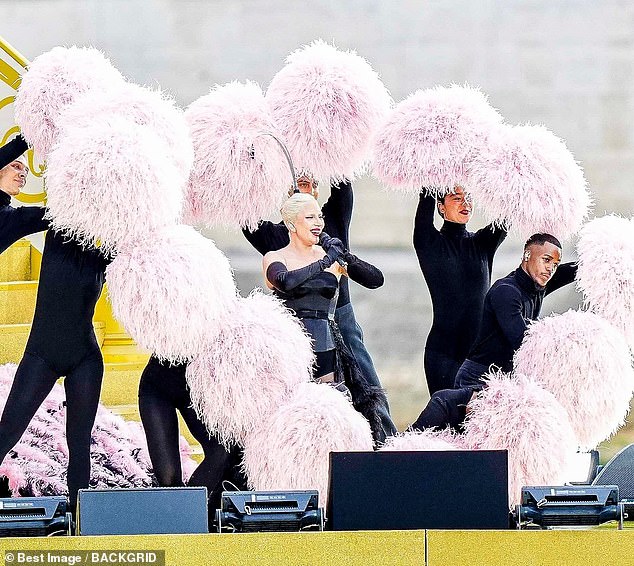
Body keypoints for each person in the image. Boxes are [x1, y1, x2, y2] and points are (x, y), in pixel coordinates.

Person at [245, 171, 396, 437]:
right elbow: (247, 221)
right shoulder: (274, 246)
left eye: (313, 185)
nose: (317, 222)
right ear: (291, 219)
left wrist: (343, 256)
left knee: (361, 384)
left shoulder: (330, 227)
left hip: (335, 320)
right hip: (291, 337)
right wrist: (325, 262)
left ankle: (384, 441)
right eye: (301, 184)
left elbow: (376, 279)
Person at [411, 233, 577, 431]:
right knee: (465, 436)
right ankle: (401, 450)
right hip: (478, 377)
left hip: (503, 380)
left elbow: (571, 271)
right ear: (527, 255)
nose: (550, 269)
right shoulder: (506, 292)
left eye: (555, 264)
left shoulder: (537, 283)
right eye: (546, 260)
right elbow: (522, 340)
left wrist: (606, 261)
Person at [0, 226, 109, 509]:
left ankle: (78, 521)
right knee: (7, 432)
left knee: (79, 442)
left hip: (85, 358)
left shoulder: (106, 257)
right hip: (42, 355)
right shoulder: (59, 234)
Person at [414, 187, 507, 395]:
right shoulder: (428, 242)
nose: (466, 204)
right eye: (457, 199)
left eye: (469, 198)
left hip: (478, 357)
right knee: (446, 424)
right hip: (443, 354)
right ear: (441, 207)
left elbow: (509, 209)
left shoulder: (483, 243)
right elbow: (428, 189)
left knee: (479, 424)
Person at [138, 356, 246, 525]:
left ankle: (188, 523)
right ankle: (183, 525)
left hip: (201, 381)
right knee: (168, 481)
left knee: (223, 451)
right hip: (156, 388)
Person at [0, 134, 47, 253]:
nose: (23, 174)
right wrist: (37, 131)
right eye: (16, 166)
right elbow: (17, 146)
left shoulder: (12, 219)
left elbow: (56, 216)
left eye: (26, 171)